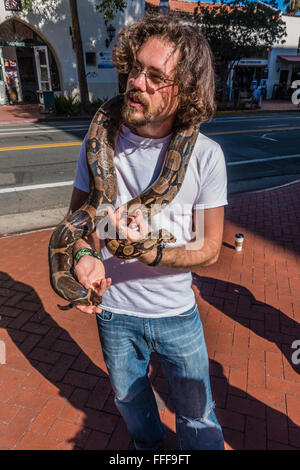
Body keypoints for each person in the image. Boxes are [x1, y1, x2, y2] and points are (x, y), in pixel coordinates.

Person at [68, 14, 227, 450]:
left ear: (187, 89)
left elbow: (211, 249)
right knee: (132, 406)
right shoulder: (98, 139)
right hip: (115, 314)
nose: (136, 82)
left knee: (197, 417)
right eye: (136, 68)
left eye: (155, 76)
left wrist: (153, 254)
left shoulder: (206, 156)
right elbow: (79, 226)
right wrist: (83, 258)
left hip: (177, 313)